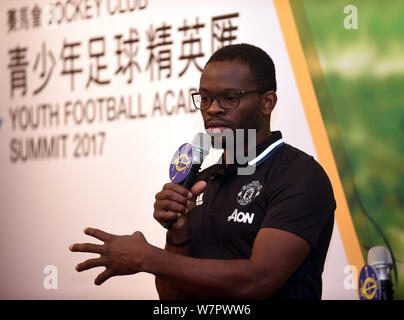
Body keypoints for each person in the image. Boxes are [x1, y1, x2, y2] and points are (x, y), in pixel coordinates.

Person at [70, 43, 336, 300]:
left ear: (267, 103)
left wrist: (147, 257)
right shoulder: (202, 181)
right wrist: (177, 236)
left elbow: (258, 281)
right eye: (205, 98)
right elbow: (174, 299)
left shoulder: (300, 175)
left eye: (229, 98)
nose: (212, 108)